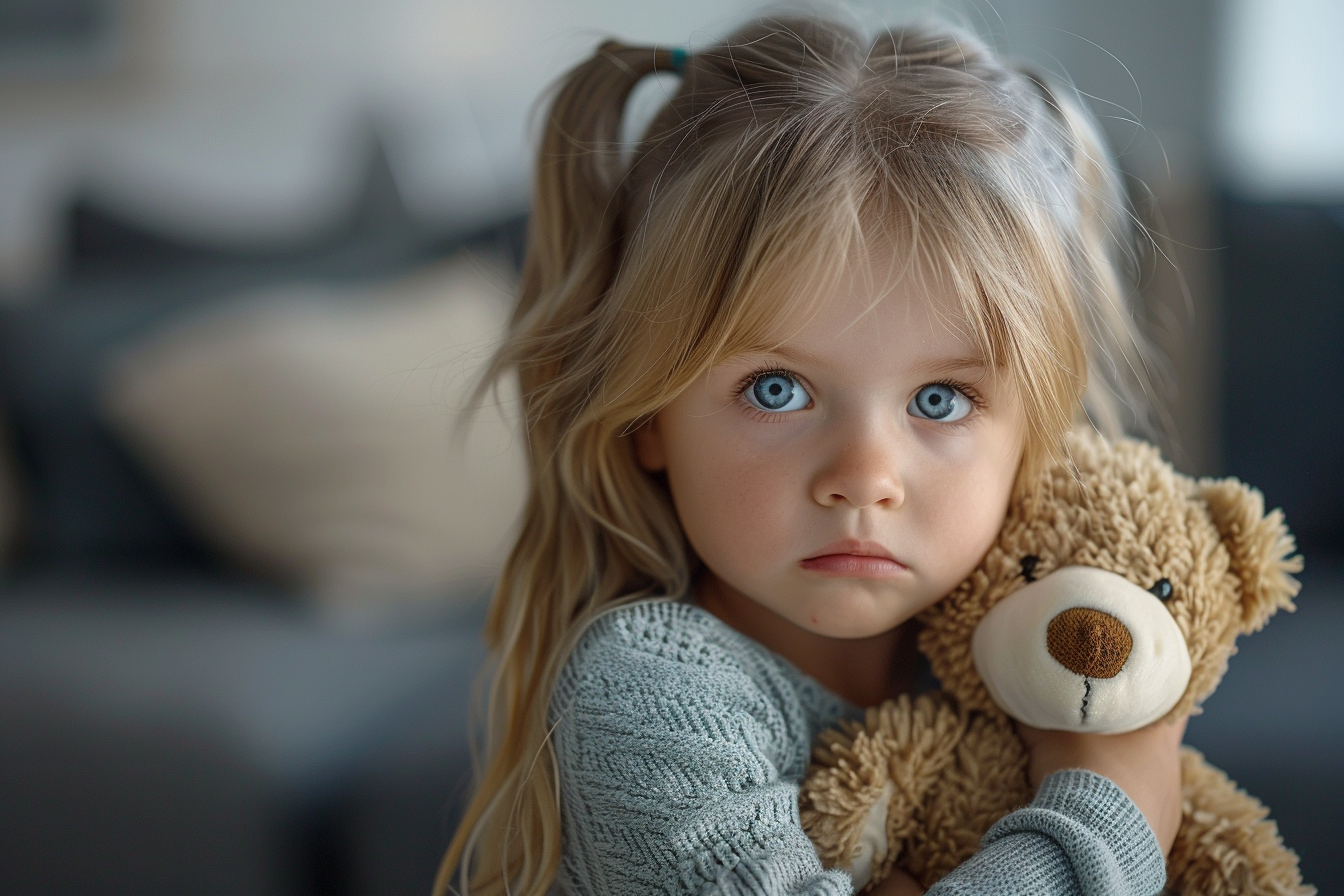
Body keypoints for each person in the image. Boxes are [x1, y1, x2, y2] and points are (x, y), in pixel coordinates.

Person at [437, 15, 1185, 896]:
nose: (864, 477)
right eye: (777, 390)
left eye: (938, 401)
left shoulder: (1036, 671)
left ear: (1033, 431)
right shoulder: (647, 695)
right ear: (648, 415)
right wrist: (1110, 812)